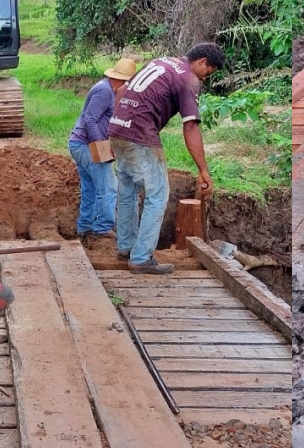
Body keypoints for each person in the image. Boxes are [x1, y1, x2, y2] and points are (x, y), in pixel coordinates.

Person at [107, 43, 225, 275]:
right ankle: (141, 258)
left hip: (118, 128)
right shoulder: (188, 80)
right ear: (202, 61)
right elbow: (190, 126)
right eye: (208, 72)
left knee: (128, 190)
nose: (205, 79)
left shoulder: (160, 61)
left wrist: (117, 128)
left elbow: (121, 92)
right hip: (141, 135)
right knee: (158, 194)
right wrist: (203, 169)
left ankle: (126, 247)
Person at [68, 58, 138, 242]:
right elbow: (90, 118)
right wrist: (101, 146)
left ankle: (85, 226)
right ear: (123, 80)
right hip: (86, 145)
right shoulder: (104, 91)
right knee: (108, 187)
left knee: (90, 187)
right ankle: (102, 227)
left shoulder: (109, 89)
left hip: (80, 143)